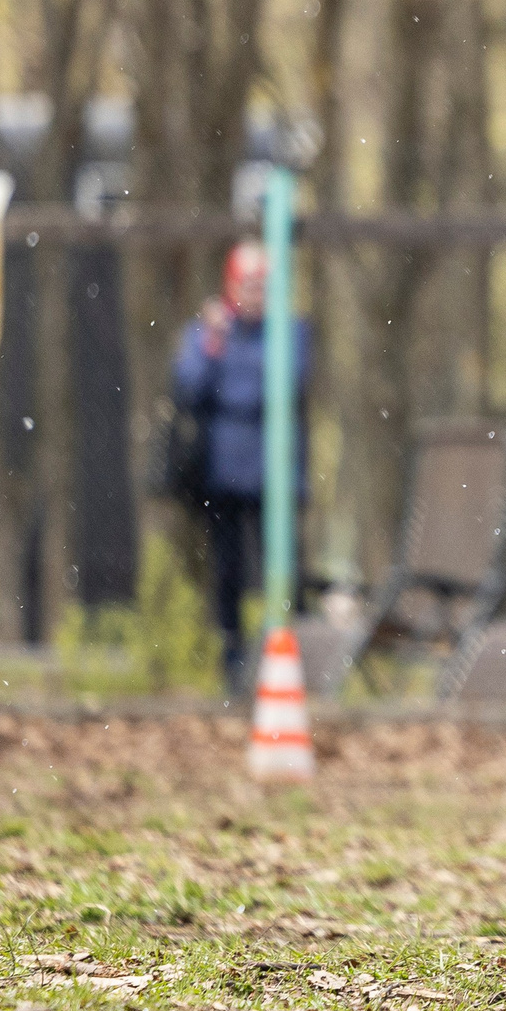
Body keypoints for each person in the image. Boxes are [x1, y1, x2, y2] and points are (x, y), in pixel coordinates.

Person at [170, 243, 308, 694]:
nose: (253, 295)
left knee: (279, 567)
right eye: (246, 286)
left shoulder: (289, 332)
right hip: (222, 474)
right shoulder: (208, 334)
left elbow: (283, 382)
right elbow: (189, 387)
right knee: (227, 572)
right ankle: (233, 661)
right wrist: (213, 345)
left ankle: (283, 650)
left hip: (273, 473)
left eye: (261, 287)